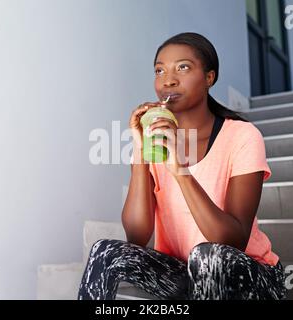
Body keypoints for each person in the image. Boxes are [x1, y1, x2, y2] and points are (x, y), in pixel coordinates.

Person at [78, 32, 287, 300]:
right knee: (104, 251)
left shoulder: (242, 136)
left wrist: (181, 171)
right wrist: (141, 154)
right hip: (184, 272)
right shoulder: (155, 141)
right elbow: (138, 236)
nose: (168, 79)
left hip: (248, 276)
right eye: (159, 70)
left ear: (209, 78)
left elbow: (231, 241)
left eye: (183, 67)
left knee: (207, 256)